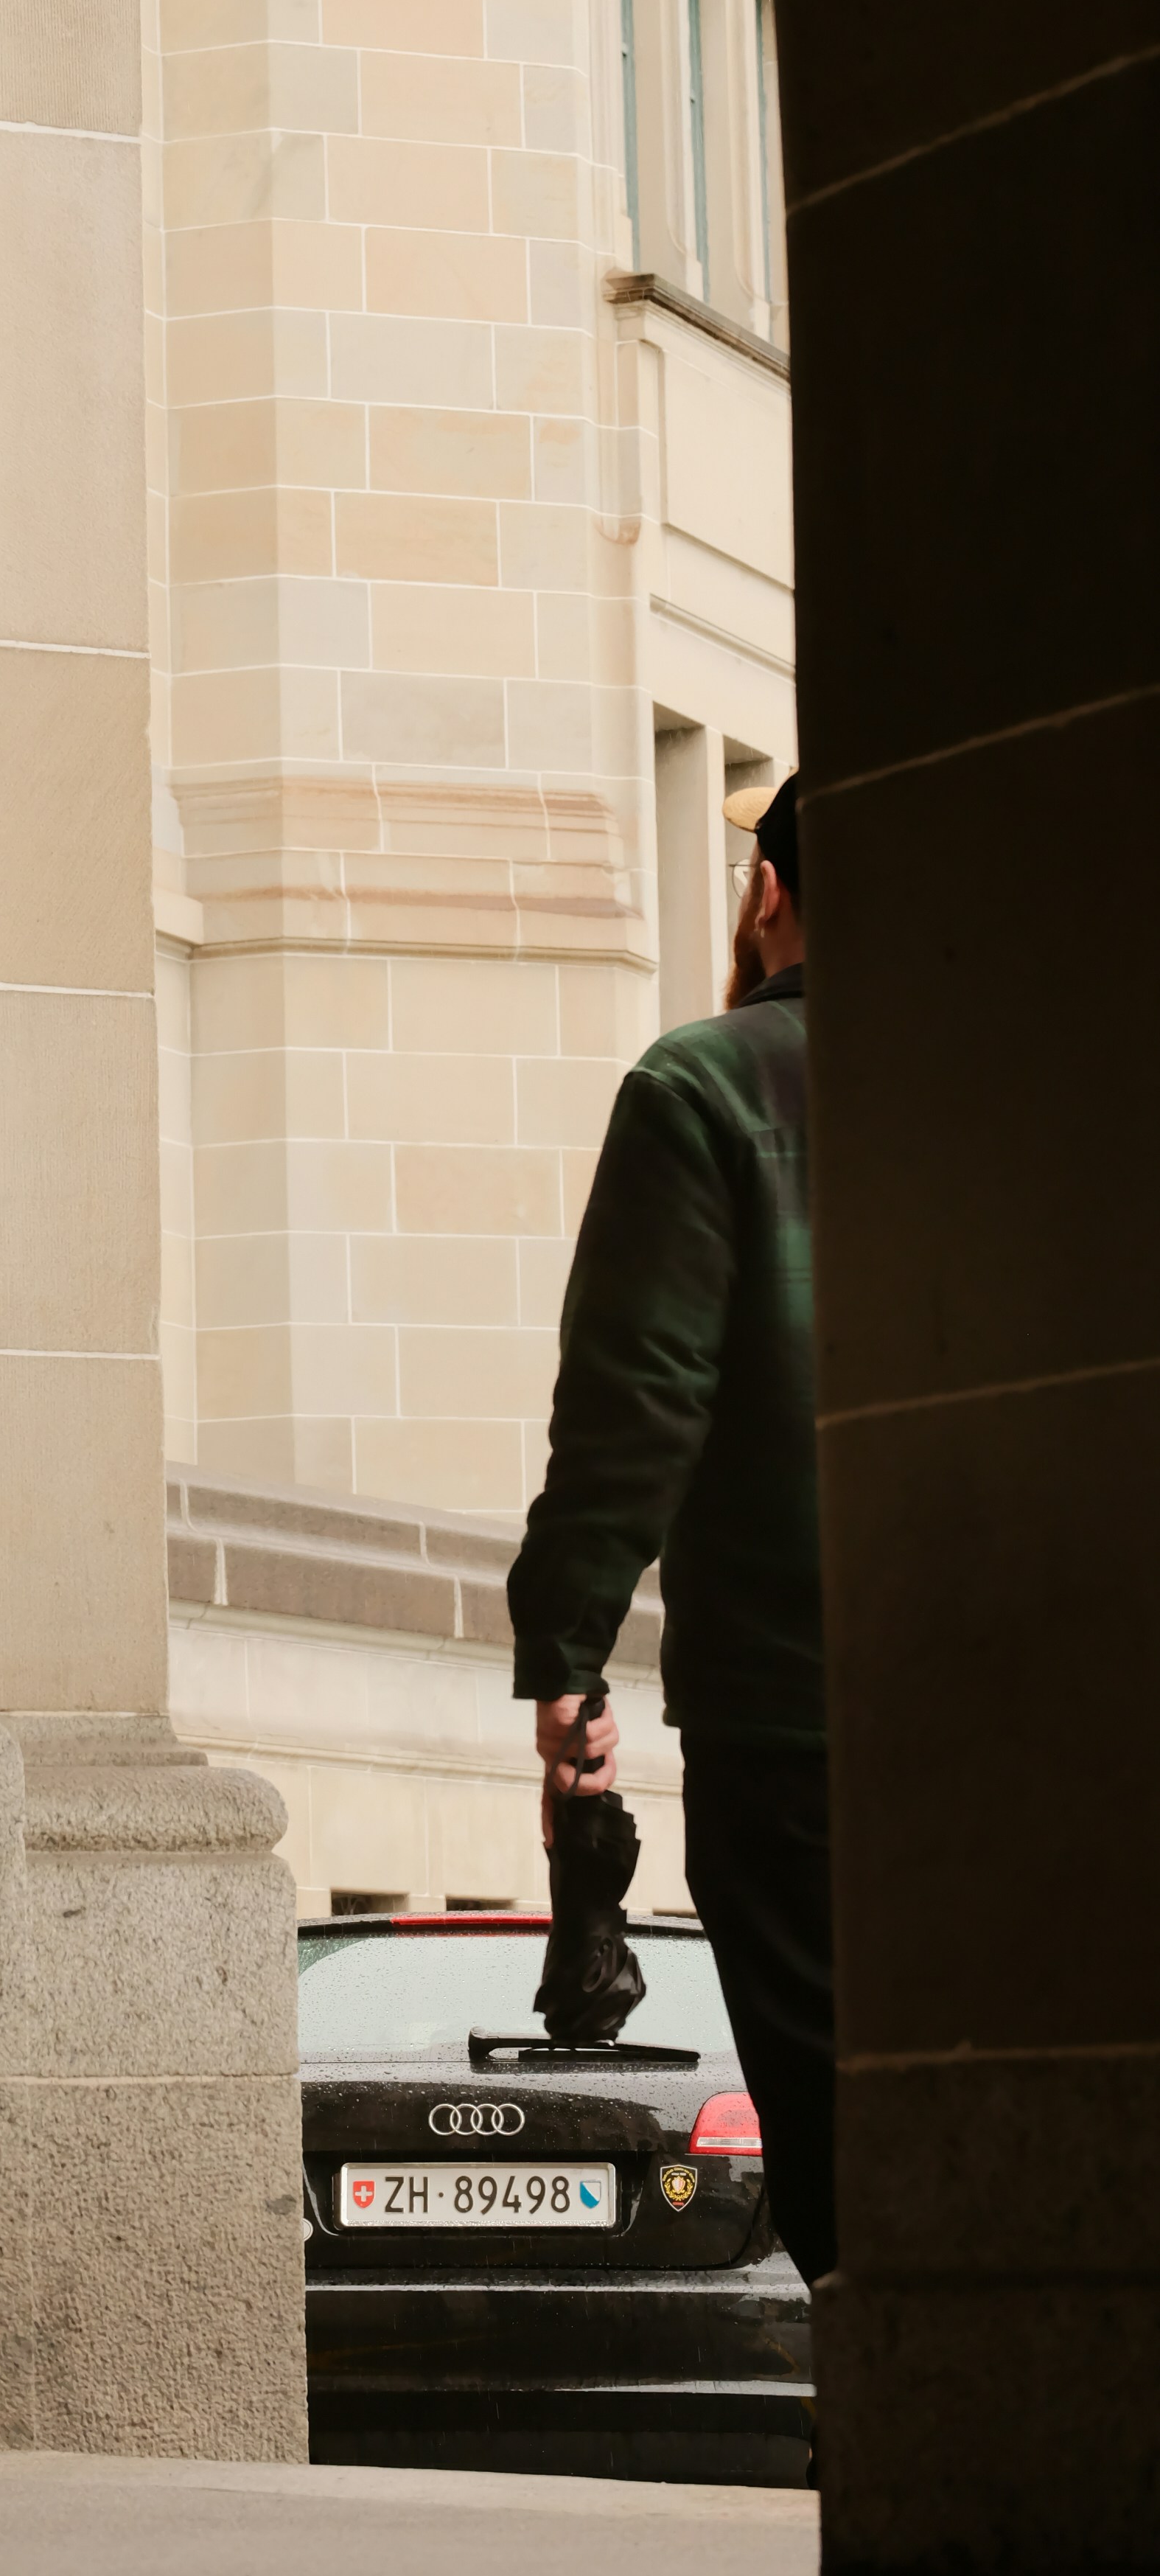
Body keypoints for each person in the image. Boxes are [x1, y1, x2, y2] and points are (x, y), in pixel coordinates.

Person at [506, 773, 834, 2283]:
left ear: (771, 891)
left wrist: (567, 1651)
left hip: (797, 1710)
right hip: (1053, 1693)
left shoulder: (704, 1088)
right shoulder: (1039, 1070)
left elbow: (640, 1397)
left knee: (844, 2138)